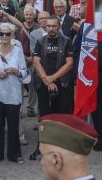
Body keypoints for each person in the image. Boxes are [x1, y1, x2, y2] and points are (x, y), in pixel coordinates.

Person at [28, 16, 75, 161]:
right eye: (48, 26)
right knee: (45, 118)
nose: (51, 29)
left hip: (63, 85)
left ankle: (64, 148)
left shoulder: (66, 41)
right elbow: (36, 62)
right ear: (45, 27)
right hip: (44, 85)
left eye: (54, 26)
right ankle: (42, 147)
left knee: (63, 118)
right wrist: (47, 81)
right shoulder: (40, 41)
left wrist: (53, 78)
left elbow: (69, 63)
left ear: (59, 27)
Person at [0, 22, 29, 164]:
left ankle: (14, 154)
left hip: (14, 93)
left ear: (12, 35)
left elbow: (24, 71)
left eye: (7, 33)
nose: (4, 36)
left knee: (13, 125)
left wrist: (16, 71)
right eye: (2, 33)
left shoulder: (17, 49)